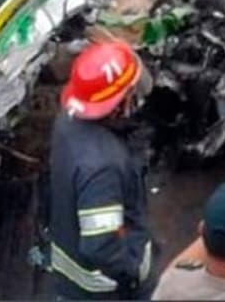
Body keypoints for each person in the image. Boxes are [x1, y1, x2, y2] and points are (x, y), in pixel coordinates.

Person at [49, 41, 157, 300]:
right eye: (130, 92)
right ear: (118, 102)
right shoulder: (103, 167)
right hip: (104, 289)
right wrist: (130, 272)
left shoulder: (67, 119)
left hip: (68, 254)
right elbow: (102, 246)